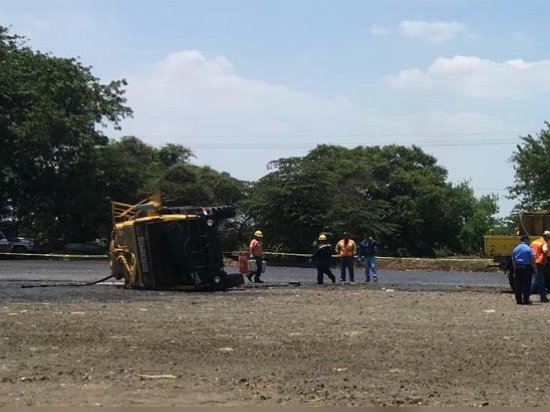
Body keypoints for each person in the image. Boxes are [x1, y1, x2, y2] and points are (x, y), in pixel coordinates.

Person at [512, 234, 536, 305]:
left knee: (518, 284)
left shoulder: (516, 248)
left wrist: (514, 270)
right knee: (527, 284)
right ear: (525, 240)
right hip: (526, 267)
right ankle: (526, 300)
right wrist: (534, 268)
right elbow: (532, 259)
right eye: (529, 240)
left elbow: (513, 260)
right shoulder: (528, 248)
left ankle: (518, 300)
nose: (529, 241)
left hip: (517, 267)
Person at [530, 231, 550, 302]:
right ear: (546, 236)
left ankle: (527, 295)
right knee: (540, 280)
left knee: (533, 279)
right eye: (549, 237)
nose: (549, 239)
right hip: (539, 263)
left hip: (532, 262)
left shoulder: (534, 242)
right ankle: (543, 297)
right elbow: (545, 251)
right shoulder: (543, 243)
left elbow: (530, 250)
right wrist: (545, 261)